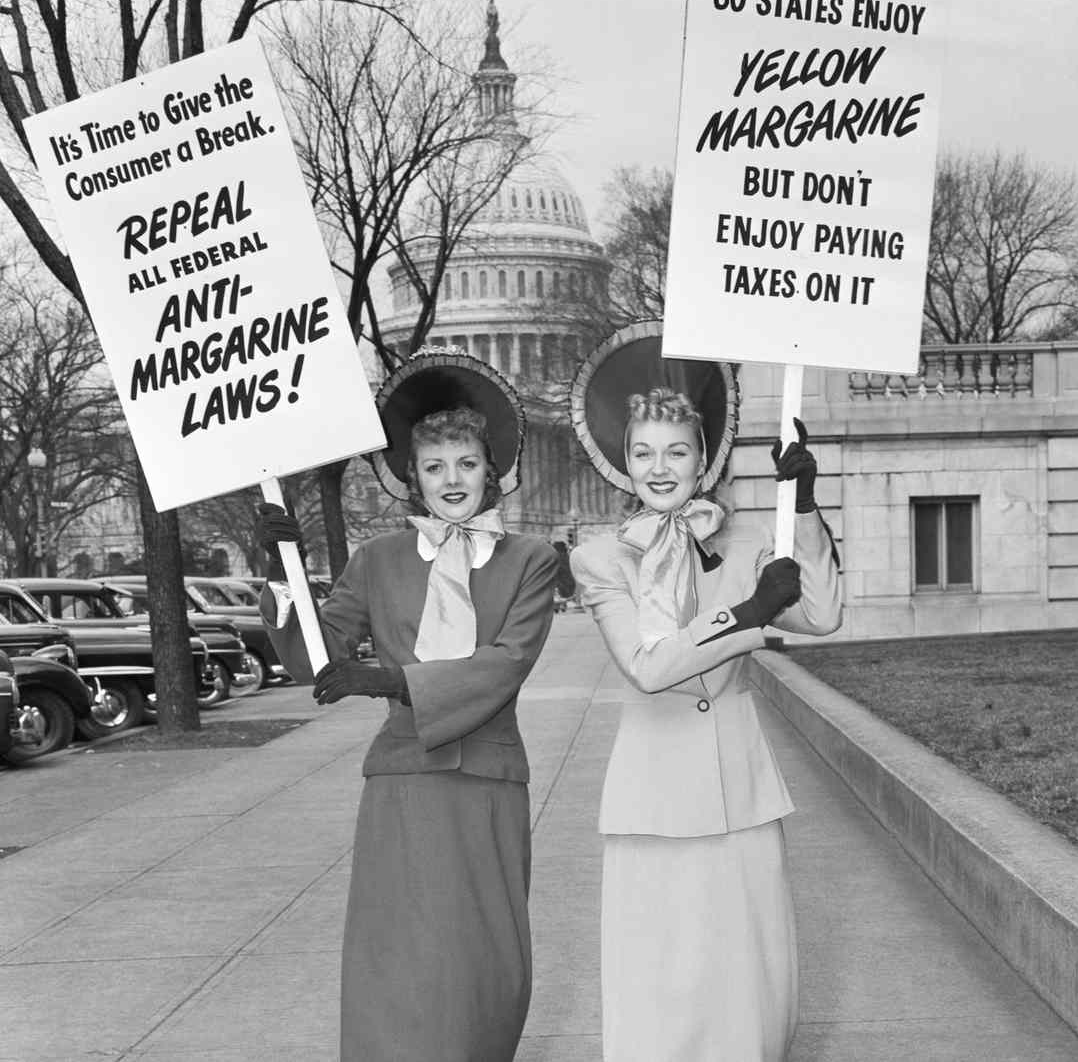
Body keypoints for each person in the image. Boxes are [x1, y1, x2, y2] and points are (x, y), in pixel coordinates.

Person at [254, 347, 558, 1062]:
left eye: (466, 463)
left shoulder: (530, 559)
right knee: (400, 958)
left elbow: (504, 663)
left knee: (486, 961)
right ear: (411, 480)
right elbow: (313, 659)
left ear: (492, 469)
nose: (452, 480)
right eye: (434, 466)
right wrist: (279, 571)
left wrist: (389, 680)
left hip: (485, 778)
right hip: (402, 781)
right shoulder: (377, 560)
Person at [567, 321, 843, 1061]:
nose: (661, 468)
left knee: (746, 977)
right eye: (644, 452)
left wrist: (805, 508)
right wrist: (745, 614)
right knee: (660, 980)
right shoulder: (600, 560)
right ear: (623, 462)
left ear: (705, 457)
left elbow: (821, 613)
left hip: (736, 790)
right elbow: (650, 667)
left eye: (677, 450)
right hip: (652, 797)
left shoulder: (748, 542)